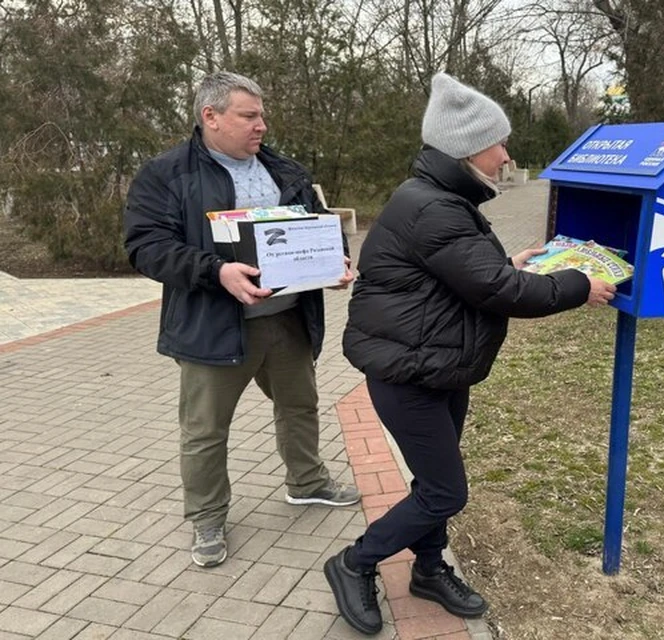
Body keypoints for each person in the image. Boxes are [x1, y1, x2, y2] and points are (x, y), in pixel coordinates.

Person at [325, 72, 617, 635]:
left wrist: (512, 262)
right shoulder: (435, 207)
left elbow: (466, 276)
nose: (507, 154)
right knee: (444, 490)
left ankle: (430, 569)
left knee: (432, 484)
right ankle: (354, 562)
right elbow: (496, 293)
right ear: (465, 149)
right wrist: (579, 285)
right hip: (409, 373)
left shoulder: (442, 198)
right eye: (498, 142)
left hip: (437, 365)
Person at [124, 71, 360, 569]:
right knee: (205, 430)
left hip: (287, 319)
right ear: (210, 117)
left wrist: (334, 261)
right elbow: (147, 248)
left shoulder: (284, 170)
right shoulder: (167, 174)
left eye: (262, 115)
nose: (261, 126)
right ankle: (208, 518)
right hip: (213, 326)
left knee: (300, 407)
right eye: (249, 116)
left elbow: (318, 226)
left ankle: (308, 483)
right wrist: (216, 271)